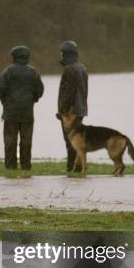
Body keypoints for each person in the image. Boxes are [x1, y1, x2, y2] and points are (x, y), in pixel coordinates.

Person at [0, 46, 44, 170]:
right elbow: (40, 90)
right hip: (27, 112)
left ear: (14, 57)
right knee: (26, 140)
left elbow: (0, 89)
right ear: (27, 57)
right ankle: (26, 165)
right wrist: (33, 100)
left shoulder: (8, 71)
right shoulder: (33, 72)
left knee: (10, 140)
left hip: (10, 112)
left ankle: (10, 166)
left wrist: (5, 102)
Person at [57, 40, 88, 172]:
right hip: (80, 110)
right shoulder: (82, 67)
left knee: (70, 140)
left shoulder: (69, 69)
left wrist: (62, 111)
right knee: (77, 140)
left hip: (70, 112)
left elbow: (68, 93)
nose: (61, 55)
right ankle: (77, 166)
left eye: (62, 53)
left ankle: (72, 167)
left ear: (66, 54)